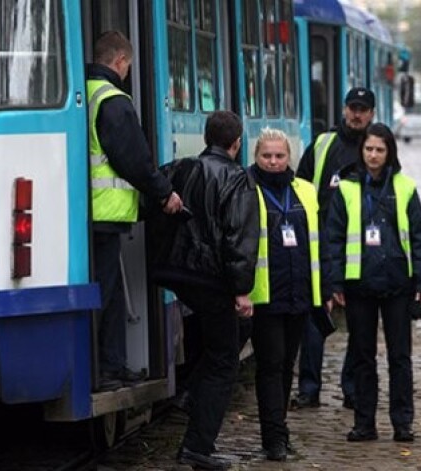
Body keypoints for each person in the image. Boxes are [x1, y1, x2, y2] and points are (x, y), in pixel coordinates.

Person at [149, 110, 259, 470]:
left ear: (206, 137)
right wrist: (242, 291)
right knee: (225, 358)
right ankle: (198, 446)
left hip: (178, 272)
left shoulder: (179, 168)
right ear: (237, 142)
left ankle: (191, 393)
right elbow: (240, 239)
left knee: (227, 336)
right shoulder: (237, 179)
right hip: (210, 277)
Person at [87, 31, 182, 391]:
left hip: (91, 214)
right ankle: (108, 367)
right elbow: (134, 159)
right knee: (107, 290)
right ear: (121, 62)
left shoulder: (85, 94)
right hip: (106, 212)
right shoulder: (113, 100)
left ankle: (110, 364)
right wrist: (164, 193)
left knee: (106, 288)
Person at [327, 123, 421, 442]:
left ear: (390, 153)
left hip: (399, 284)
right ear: (362, 151)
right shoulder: (346, 189)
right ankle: (364, 423)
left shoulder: (405, 187)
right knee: (362, 356)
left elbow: (419, 236)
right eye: (369, 149)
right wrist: (336, 281)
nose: (373, 155)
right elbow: (333, 238)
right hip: (359, 285)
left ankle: (402, 423)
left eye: (380, 150)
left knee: (400, 357)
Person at [292, 87, 376, 410]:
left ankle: (352, 389)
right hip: (321, 246)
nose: (357, 114)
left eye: (363, 109)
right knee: (315, 320)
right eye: (353, 107)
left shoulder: (377, 147)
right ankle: (308, 389)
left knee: (359, 323)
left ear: (371, 113)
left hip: (361, 249)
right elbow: (300, 187)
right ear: (344, 110)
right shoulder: (324, 144)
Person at [247, 128, 321, 461]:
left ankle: (280, 429)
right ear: (256, 157)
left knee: (287, 364)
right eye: (267, 156)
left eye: (279, 156)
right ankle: (272, 438)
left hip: (299, 293)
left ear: (289, 157)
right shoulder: (248, 190)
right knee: (271, 365)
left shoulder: (305, 190)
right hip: (265, 294)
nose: (274, 162)